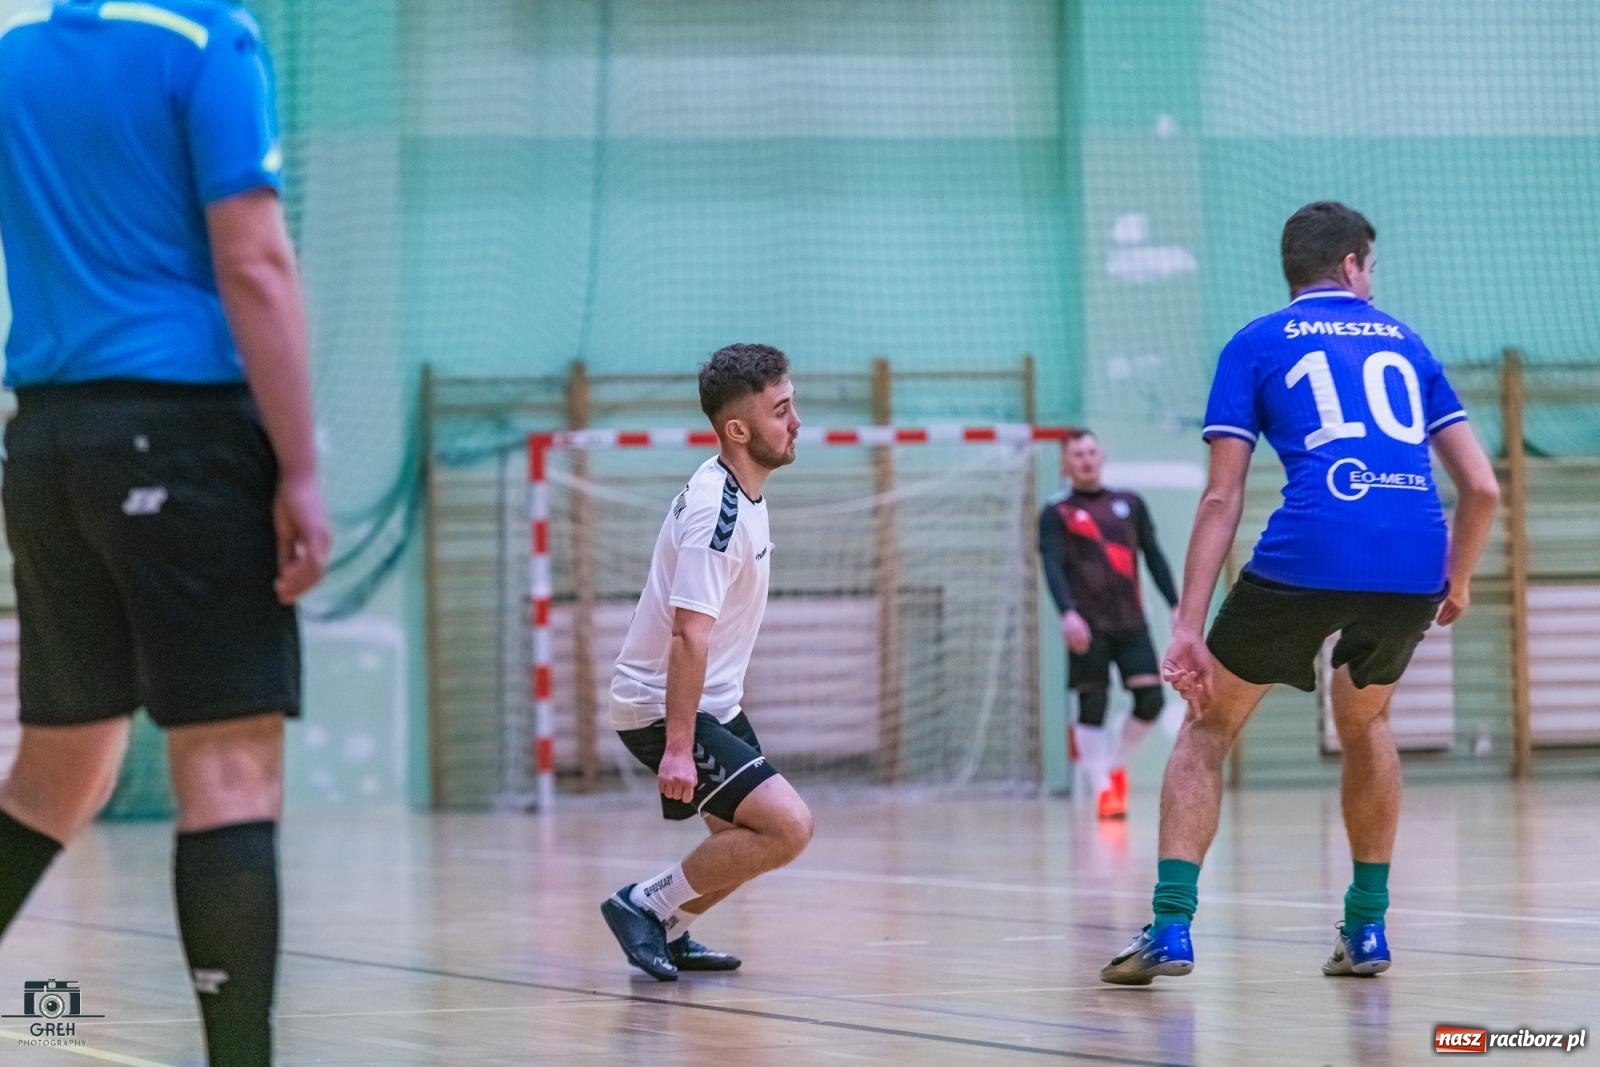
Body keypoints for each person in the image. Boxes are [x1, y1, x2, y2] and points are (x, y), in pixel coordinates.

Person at [0, 3, 329, 1062]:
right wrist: (302, 466)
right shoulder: (206, 41)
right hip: (181, 435)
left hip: (48, 445)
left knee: (61, 767)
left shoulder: (14, 58)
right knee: (229, 767)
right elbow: (256, 264)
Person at [1101, 202, 1499, 985]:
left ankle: (1172, 928)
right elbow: (1481, 485)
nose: (1373, 281)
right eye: (1371, 267)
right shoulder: (1408, 342)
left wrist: (1185, 625)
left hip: (1307, 551)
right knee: (1367, 717)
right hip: (1413, 558)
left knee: (1207, 730)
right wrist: (1458, 575)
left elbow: (1222, 499)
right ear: (1351, 263)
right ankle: (1369, 928)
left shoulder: (1254, 343)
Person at [601, 343, 813, 982]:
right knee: (788, 828)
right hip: (660, 706)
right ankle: (642, 907)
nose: (797, 421)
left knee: (743, 839)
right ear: (738, 429)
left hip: (713, 703)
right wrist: (677, 746)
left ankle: (671, 925)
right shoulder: (715, 515)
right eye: (782, 410)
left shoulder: (744, 492)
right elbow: (688, 637)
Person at [1038, 431, 1178, 819]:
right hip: (1087, 625)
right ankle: (1103, 789)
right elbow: (1052, 566)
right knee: (1092, 704)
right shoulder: (1056, 512)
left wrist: (1175, 602)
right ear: (1066, 463)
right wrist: (1067, 612)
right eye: (1077, 455)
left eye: (1091, 452)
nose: (1085, 460)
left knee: (1151, 700)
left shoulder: (1130, 503)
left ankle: (1115, 765)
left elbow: (1153, 555)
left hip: (1131, 622)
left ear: (1102, 456)